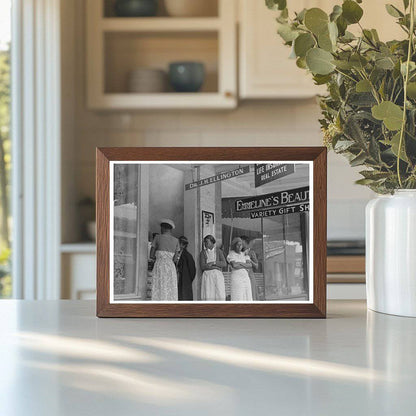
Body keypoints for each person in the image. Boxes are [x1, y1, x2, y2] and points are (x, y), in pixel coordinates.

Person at [149, 219, 179, 301]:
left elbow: (151, 255)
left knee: (159, 286)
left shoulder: (157, 237)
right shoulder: (176, 241)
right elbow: (175, 259)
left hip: (160, 265)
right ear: (170, 229)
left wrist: (158, 257)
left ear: (163, 228)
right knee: (170, 287)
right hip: (170, 267)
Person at [200, 235, 227, 301]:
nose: (205, 244)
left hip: (218, 276)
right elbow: (203, 266)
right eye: (204, 242)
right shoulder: (203, 253)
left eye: (207, 242)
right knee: (209, 294)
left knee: (220, 294)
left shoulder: (219, 251)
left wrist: (213, 263)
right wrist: (215, 267)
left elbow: (224, 263)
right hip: (208, 276)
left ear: (212, 242)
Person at [227, 237, 253, 301]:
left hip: (246, 277)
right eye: (237, 245)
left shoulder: (244, 254)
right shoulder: (231, 254)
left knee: (248, 295)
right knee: (238, 295)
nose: (239, 247)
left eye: (240, 245)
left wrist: (240, 263)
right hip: (237, 278)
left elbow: (250, 265)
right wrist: (244, 265)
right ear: (234, 245)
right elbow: (234, 265)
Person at [176, 236, 196, 301]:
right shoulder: (175, 253)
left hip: (184, 280)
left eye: (178, 244)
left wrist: (187, 280)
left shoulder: (188, 256)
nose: (176, 245)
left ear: (183, 245)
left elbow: (192, 271)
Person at [240, 235, 259, 301]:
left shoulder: (251, 252)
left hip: (250, 277)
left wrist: (250, 260)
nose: (240, 244)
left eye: (241, 242)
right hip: (240, 277)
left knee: (251, 295)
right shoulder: (238, 252)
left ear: (245, 242)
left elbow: (256, 266)